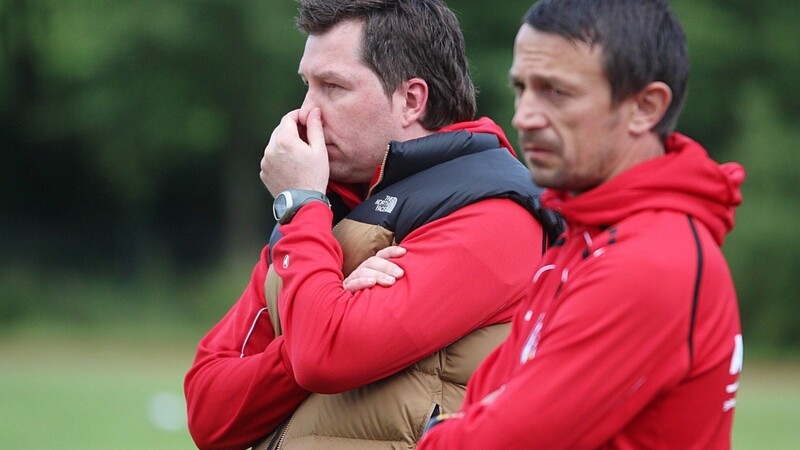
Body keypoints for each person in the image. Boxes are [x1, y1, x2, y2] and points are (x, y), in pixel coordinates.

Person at [184, 1, 562, 449]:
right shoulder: (321, 207)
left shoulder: (497, 211)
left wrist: (302, 206)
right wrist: (319, 319)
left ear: (411, 100)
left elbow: (325, 358)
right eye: (307, 85)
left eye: (333, 87)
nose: (306, 114)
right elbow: (208, 415)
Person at [402, 0, 745, 448]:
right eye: (522, 88)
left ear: (646, 107)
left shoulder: (650, 263)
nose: (524, 115)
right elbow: (486, 406)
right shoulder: (585, 234)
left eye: (556, 92)